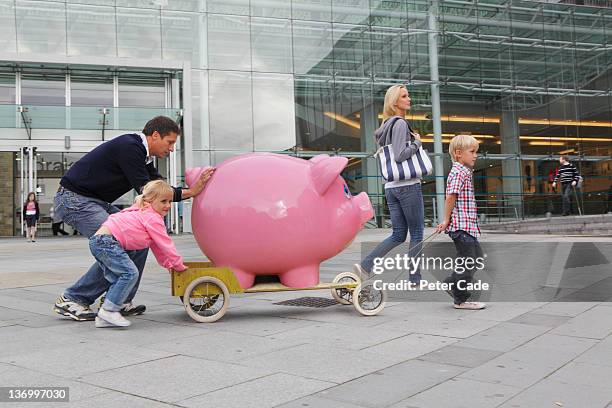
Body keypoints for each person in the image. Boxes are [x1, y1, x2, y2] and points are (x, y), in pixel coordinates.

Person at [53, 116, 214, 321]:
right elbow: (149, 192)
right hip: (75, 200)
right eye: (170, 142)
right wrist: (191, 192)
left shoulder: (141, 155)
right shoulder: (130, 147)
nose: (172, 149)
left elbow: (159, 187)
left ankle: (118, 301)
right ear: (155, 135)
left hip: (93, 201)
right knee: (112, 245)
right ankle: (73, 299)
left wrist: (188, 191)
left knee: (138, 239)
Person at [354, 84, 425, 285]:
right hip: (408, 184)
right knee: (417, 233)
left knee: (398, 234)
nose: (409, 99)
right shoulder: (400, 124)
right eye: (404, 96)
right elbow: (400, 155)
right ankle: (415, 278)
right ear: (395, 102)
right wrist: (417, 143)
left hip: (391, 187)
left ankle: (366, 265)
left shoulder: (385, 126)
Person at [92, 180, 187, 328]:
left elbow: (156, 246)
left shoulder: (142, 211)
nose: (168, 205)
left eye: (170, 201)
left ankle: (104, 317)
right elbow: (166, 244)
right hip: (107, 242)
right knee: (130, 274)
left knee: (118, 278)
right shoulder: (152, 217)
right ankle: (109, 310)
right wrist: (178, 265)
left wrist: (168, 264)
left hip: (99, 242)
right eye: (163, 201)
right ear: (150, 200)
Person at [435, 135, 486, 310]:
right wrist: (446, 219)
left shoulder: (463, 172)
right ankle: (460, 299)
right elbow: (450, 196)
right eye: (472, 152)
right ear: (458, 153)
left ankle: (452, 282)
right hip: (462, 226)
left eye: (476, 152)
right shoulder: (458, 172)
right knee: (468, 261)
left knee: (476, 258)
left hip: (467, 226)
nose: (475, 155)